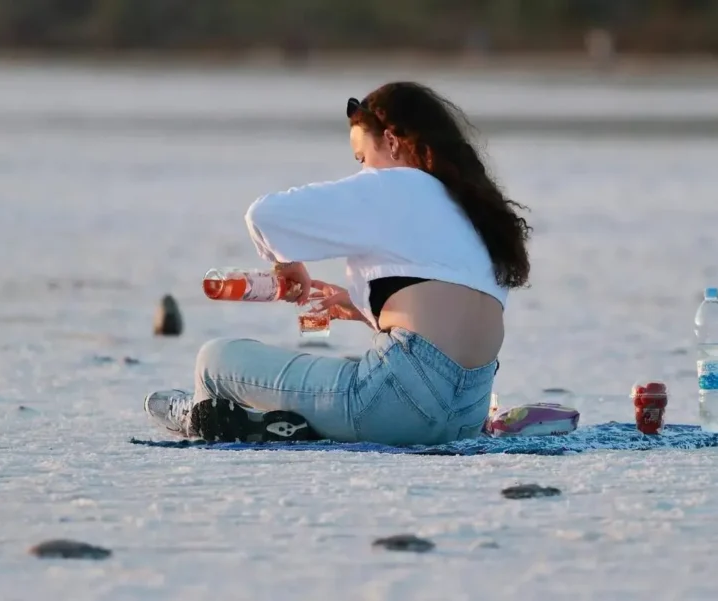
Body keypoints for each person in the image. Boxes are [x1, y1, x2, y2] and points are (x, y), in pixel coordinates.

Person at [145, 81, 532, 446]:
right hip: (467, 415)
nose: (363, 171)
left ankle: (199, 414)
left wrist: (287, 263)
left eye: (363, 157)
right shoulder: (478, 213)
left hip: (396, 405)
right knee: (360, 375)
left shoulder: (396, 184)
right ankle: (278, 425)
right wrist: (364, 308)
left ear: (393, 142)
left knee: (215, 361)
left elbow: (264, 215)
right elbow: (449, 324)